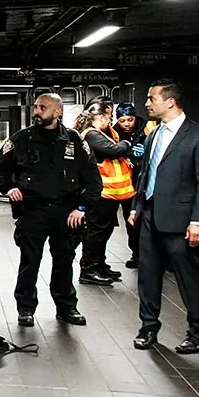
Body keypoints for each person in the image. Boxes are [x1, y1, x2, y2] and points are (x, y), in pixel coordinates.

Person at [0, 93, 102, 327]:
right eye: (36, 107)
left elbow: (92, 179)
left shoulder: (74, 141)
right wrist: (8, 188)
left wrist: (82, 207)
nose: (37, 111)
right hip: (33, 211)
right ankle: (25, 308)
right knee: (30, 261)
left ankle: (66, 307)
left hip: (66, 213)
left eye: (43, 107)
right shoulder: (21, 139)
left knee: (64, 261)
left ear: (57, 112)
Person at [129, 79, 199, 354]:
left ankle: (198, 333)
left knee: (188, 277)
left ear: (170, 101)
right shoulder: (153, 133)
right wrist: (136, 206)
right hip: (149, 215)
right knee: (148, 275)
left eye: (151, 98)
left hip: (181, 221)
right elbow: (145, 174)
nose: (146, 104)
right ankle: (148, 327)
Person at [77, 97, 135, 286]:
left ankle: (99, 265)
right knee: (96, 231)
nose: (110, 121)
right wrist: (127, 144)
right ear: (100, 116)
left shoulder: (99, 133)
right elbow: (113, 150)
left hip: (107, 193)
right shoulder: (91, 134)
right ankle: (89, 269)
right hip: (101, 193)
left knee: (104, 229)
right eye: (109, 117)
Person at [113, 102, 148, 268]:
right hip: (127, 185)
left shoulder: (148, 129)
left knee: (149, 222)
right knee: (131, 222)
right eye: (122, 120)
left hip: (147, 184)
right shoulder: (114, 134)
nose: (127, 123)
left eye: (130, 119)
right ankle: (137, 254)